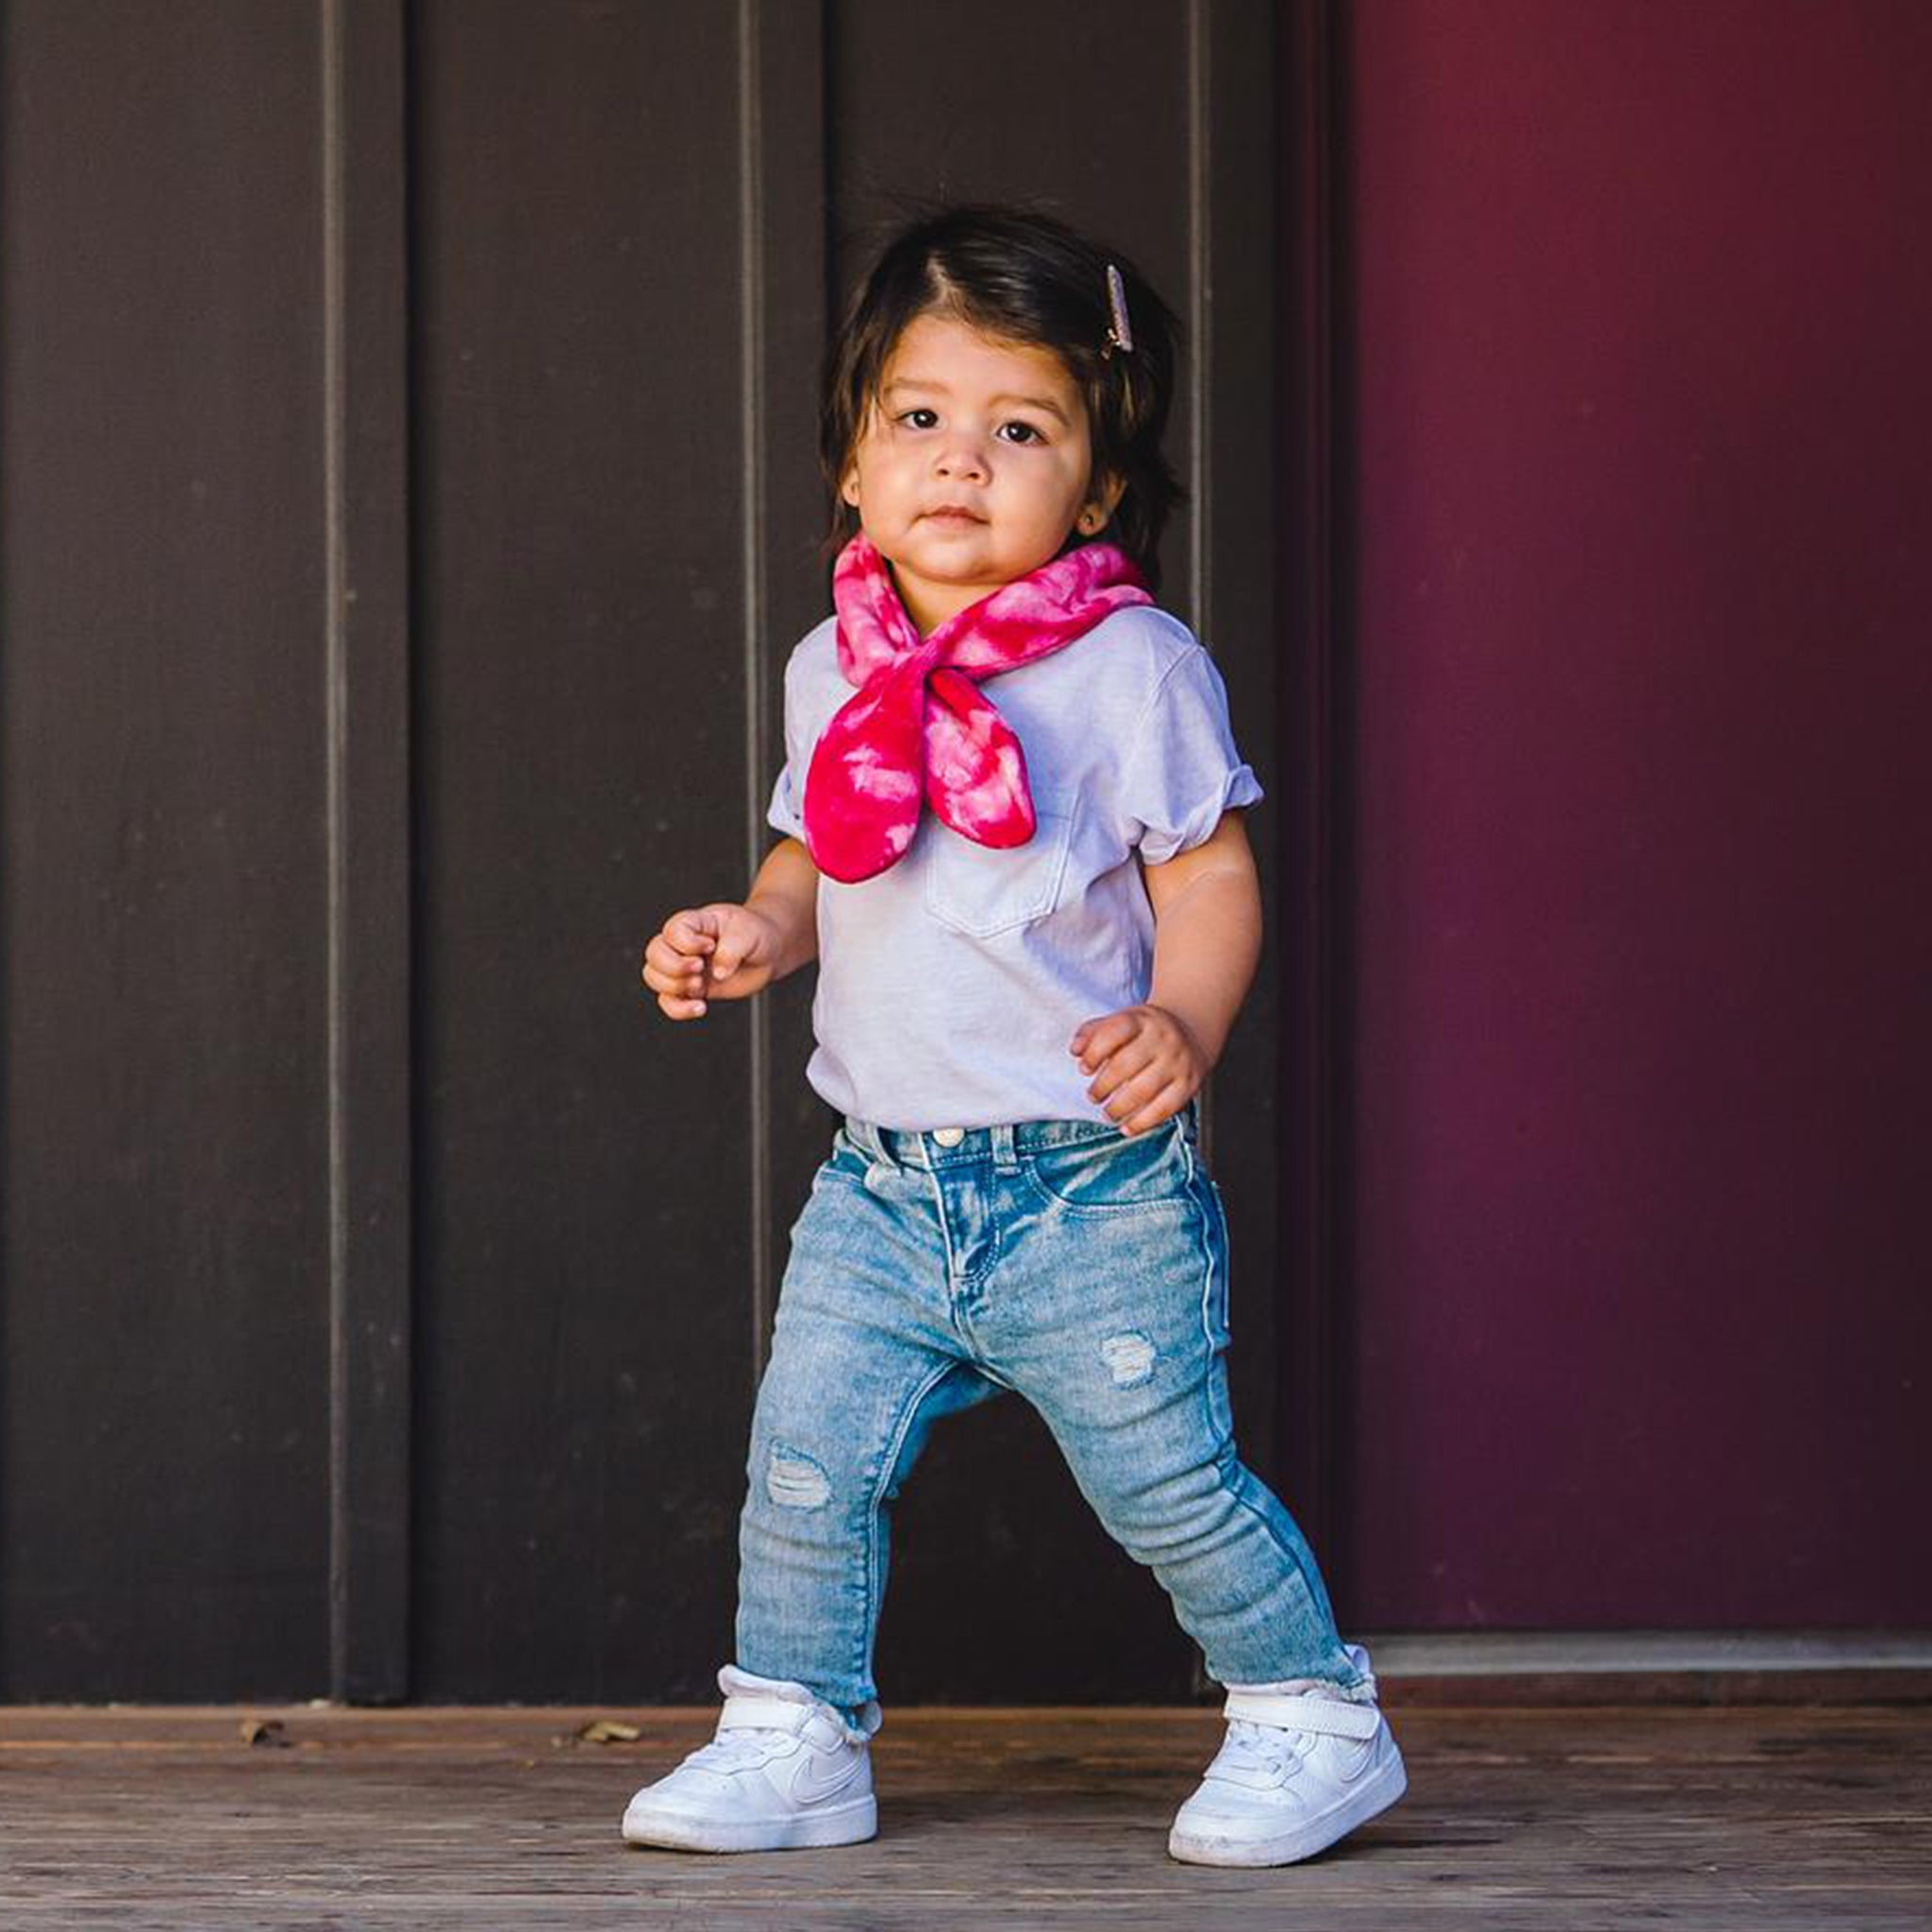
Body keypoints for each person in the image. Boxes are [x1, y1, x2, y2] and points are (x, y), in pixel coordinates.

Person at [625, 203, 1406, 1867]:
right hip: (884, 1188)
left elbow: (1208, 882)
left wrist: (1183, 1019)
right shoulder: (830, 664)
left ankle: (1308, 1713)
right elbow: (818, 851)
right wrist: (757, 927)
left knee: (1165, 1481)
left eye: (1021, 429)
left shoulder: (1132, 666)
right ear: (852, 459)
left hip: (1087, 1192)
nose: (959, 463)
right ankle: (791, 1729)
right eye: (919, 419)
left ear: (1097, 490)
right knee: (806, 1469)